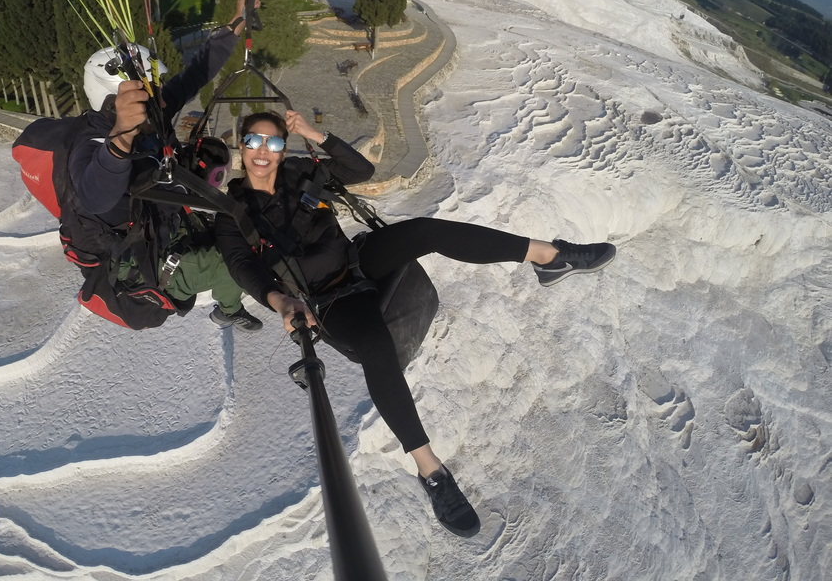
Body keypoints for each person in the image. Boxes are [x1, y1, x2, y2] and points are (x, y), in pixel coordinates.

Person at [214, 109, 616, 536]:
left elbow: (360, 169)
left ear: (283, 147)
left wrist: (315, 133)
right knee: (374, 347)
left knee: (423, 229)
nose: (263, 151)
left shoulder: (299, 171)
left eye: (273, 142)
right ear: (241, 146)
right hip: (328, 301)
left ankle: (549, 257)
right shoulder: (230, 213)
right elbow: (243, 267)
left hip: (358, 261)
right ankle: (432, 471)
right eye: (254, 141)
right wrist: (279, 300)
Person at [68, 0, 263, 332]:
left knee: (246, 224)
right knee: (236, 259)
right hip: (147, 259)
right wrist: (122, 136)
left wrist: (235, 24)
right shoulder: (91, 143)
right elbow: (95, 197)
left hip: (171, 223)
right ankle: (228, 310)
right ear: (114, 102)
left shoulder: (152, 115)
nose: (160, 98)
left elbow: (194, 75)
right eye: (148, 92)